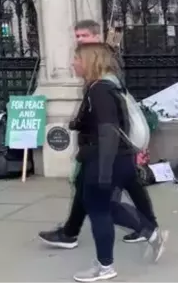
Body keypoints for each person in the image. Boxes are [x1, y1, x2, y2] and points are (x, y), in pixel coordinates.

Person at [39, 21, 158, 247]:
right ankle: (72, 231)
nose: (80, 40)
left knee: (104, 198)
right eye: (77, 36)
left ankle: (144, 232)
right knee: (118, 185)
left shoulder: (104, 67)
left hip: (108, 146)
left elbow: (107, 120)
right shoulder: (96, 71)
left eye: (84, 35)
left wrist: (104, 167)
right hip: (106, 145)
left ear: (96, 36)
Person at [69, 43, 167, 282]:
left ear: (90, 61)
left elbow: (108, 131)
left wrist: (103, 173)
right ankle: (150, 232)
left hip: (105, 159)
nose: (73, 64)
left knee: (100, 211)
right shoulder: (104, 87)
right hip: (113, 159)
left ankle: (105, 266)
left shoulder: (100, 90)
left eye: (77, 59)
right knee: (97, 202)